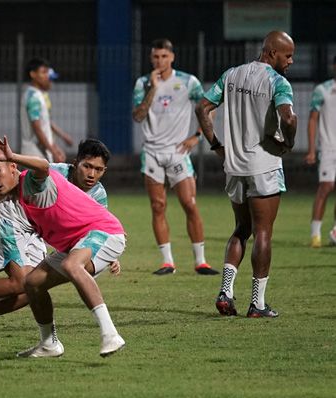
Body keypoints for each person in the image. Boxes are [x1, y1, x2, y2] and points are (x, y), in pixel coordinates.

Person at [0, 139, 112, 344]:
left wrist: (106, 252)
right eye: (87, 166)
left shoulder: (99, 194)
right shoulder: (56, 171)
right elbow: (7, 185)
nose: (91, 174)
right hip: (12, 216)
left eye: (98, 169)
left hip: (35, 229)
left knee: (33, 288)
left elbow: (95, 226)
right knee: (21, 281)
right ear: (76, 163)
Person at [0, 135, 126, 358]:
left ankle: (110, 334)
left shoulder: (34, 179)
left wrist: (12, 155)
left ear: (12, 168)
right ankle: (49, 343)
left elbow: (43, 166)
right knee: (32, 283)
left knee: (71, 265)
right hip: (76, 242)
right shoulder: (18, 194)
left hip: (105, 232)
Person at [195, 31, 297, 318]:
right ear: (271, 52)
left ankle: (226, 292)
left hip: (234, 166)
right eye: (287, 55)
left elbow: (202, 108)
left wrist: (217, 145)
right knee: (263, 232)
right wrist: (287, 143)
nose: (291, 61)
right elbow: (289, 118)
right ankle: (258, 303)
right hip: (264, 165)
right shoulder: (278, 82)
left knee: (242, 229)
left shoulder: (231, 75)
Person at [132, 38, 217, 276]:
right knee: (158, 206)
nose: (160, 61)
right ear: (151, 59)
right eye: (155, 57)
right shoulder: (143, 83)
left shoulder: (188, 82)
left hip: (178, 152)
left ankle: (201, 261)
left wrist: (198, 136)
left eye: (164, 57)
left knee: (189, 204)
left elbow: (208, 106)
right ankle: (167, 262)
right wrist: (153, 89)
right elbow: (138, 116)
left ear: (172, 57)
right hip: (152, 152)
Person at [305, 56, 336, 248]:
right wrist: (311, 149)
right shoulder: (322, 90)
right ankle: (315, 234)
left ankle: (335, 232)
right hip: (328, 147)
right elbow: (313, 119)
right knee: (326, 187)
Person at [20, 57, 73, 163]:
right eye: (43, 72)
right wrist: (53, 151)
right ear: (33, 74)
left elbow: (44, 126)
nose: (47, 76)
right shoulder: (34, 97)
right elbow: (38, 129)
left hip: (39, 152)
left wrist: (54, 148)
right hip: (34, 154)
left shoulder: (36, 95)